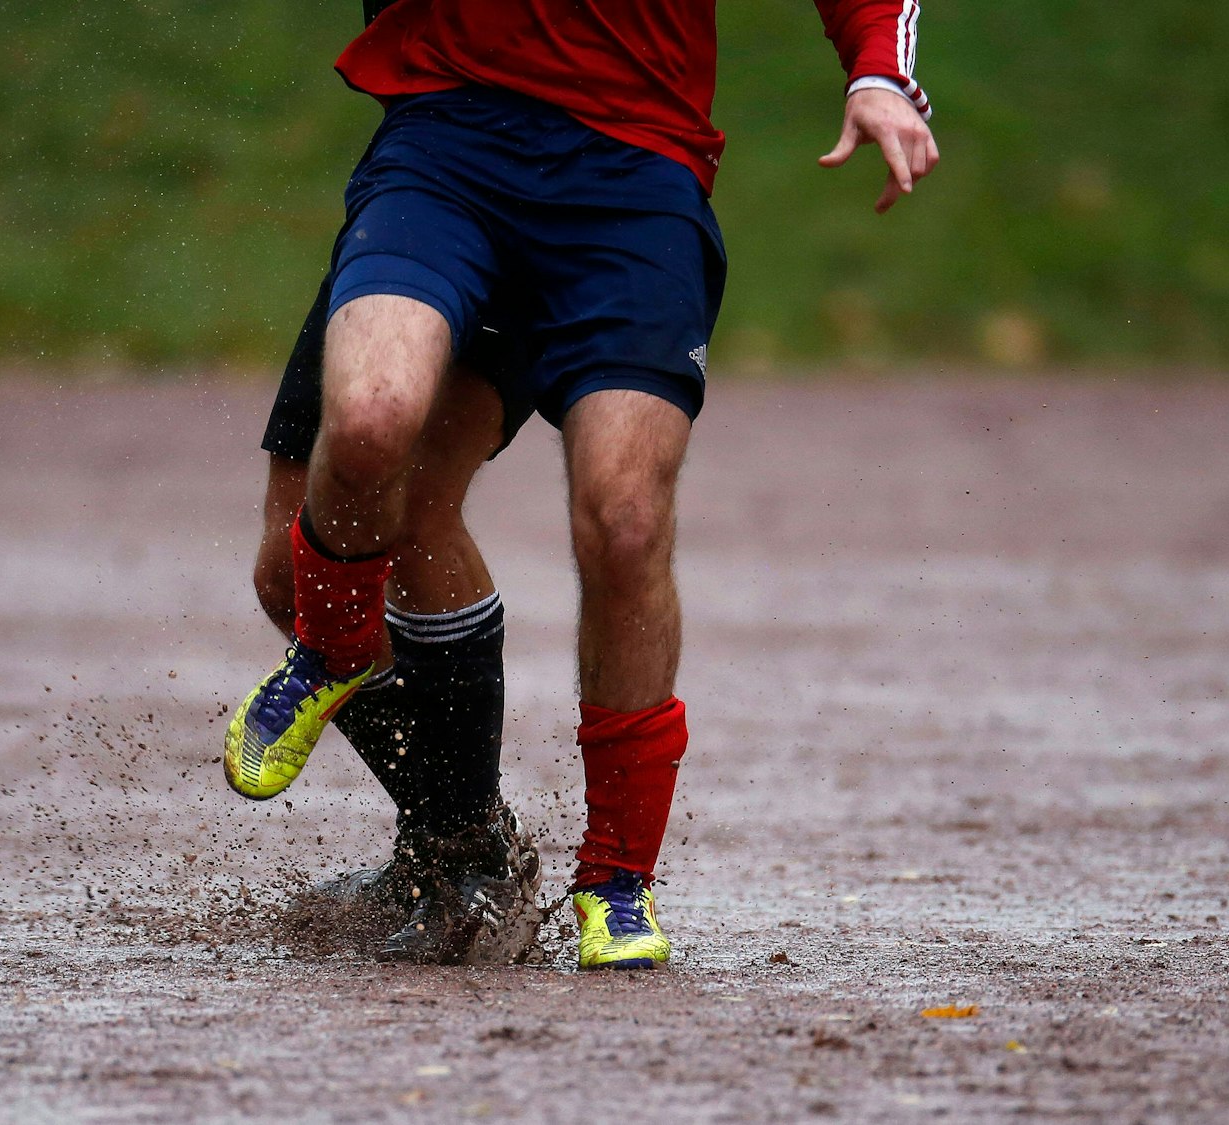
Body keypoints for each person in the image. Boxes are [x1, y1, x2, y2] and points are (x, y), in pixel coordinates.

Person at [227, 0, 938, 971]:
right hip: (447, 137)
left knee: (600, 518)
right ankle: (455, 839)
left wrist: (876, 70)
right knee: (291, 562)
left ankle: (526, 868)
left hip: (624, 170)